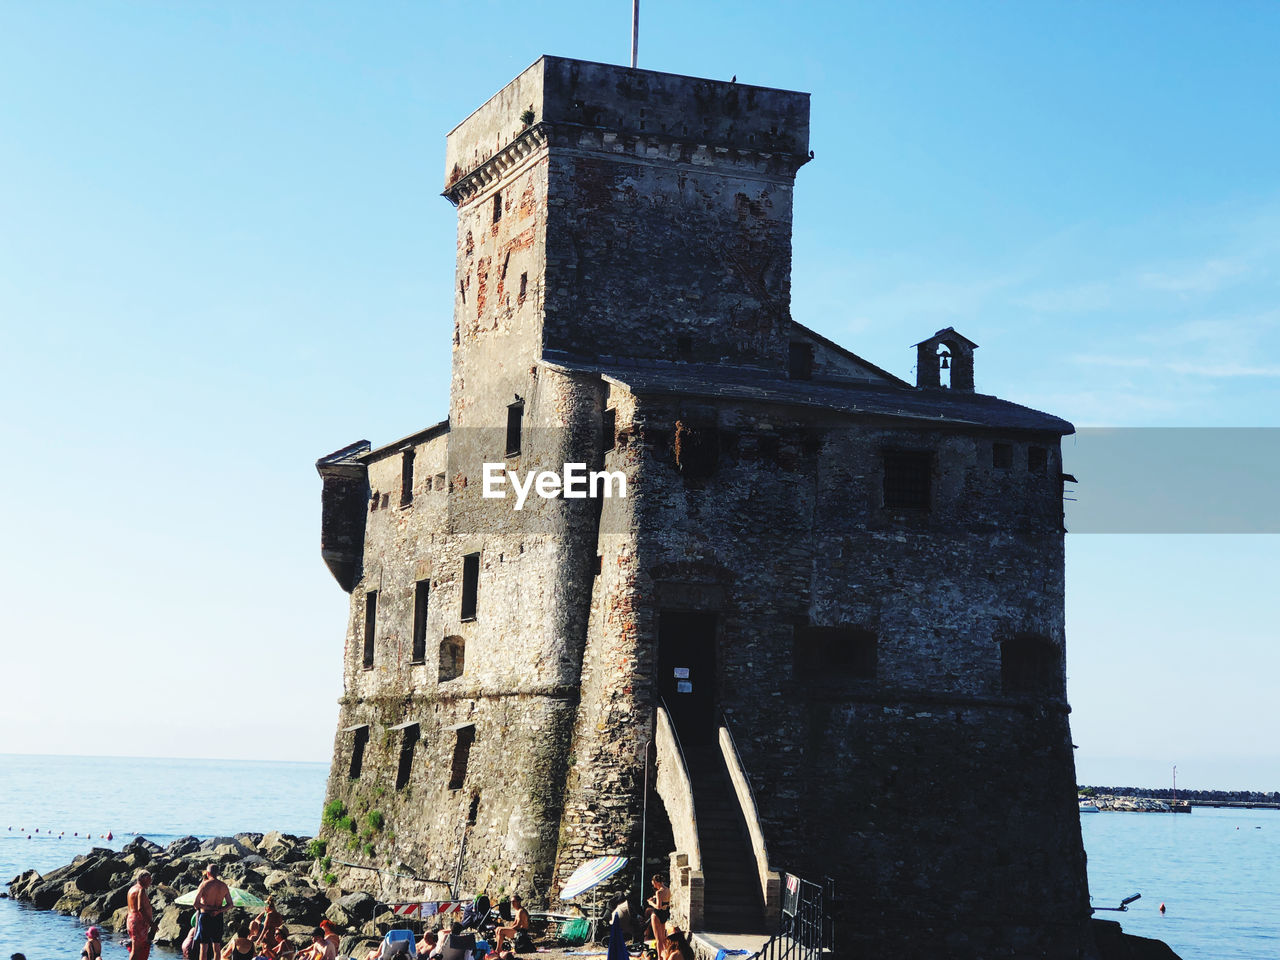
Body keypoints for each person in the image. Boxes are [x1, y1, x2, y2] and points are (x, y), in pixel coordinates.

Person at [193, 863, 235, 960]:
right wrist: (218, 910)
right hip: (218, 917)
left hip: (205, 916)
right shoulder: (224, 886)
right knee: (217, 947)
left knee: (203, 948)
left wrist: (210, 908)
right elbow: (230, 904)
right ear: (217, 873)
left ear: (207, 873)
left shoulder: (204, 885)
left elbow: (196, 904)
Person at [127, 869, 155, 960]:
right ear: (144, 878)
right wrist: (151, 923)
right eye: (149, 879)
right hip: (138, 921)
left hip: (131, 919)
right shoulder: (141, 890)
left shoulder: (132, 889)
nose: (150, 882)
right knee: (136, 949)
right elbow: (140, 908)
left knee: (137, 948)